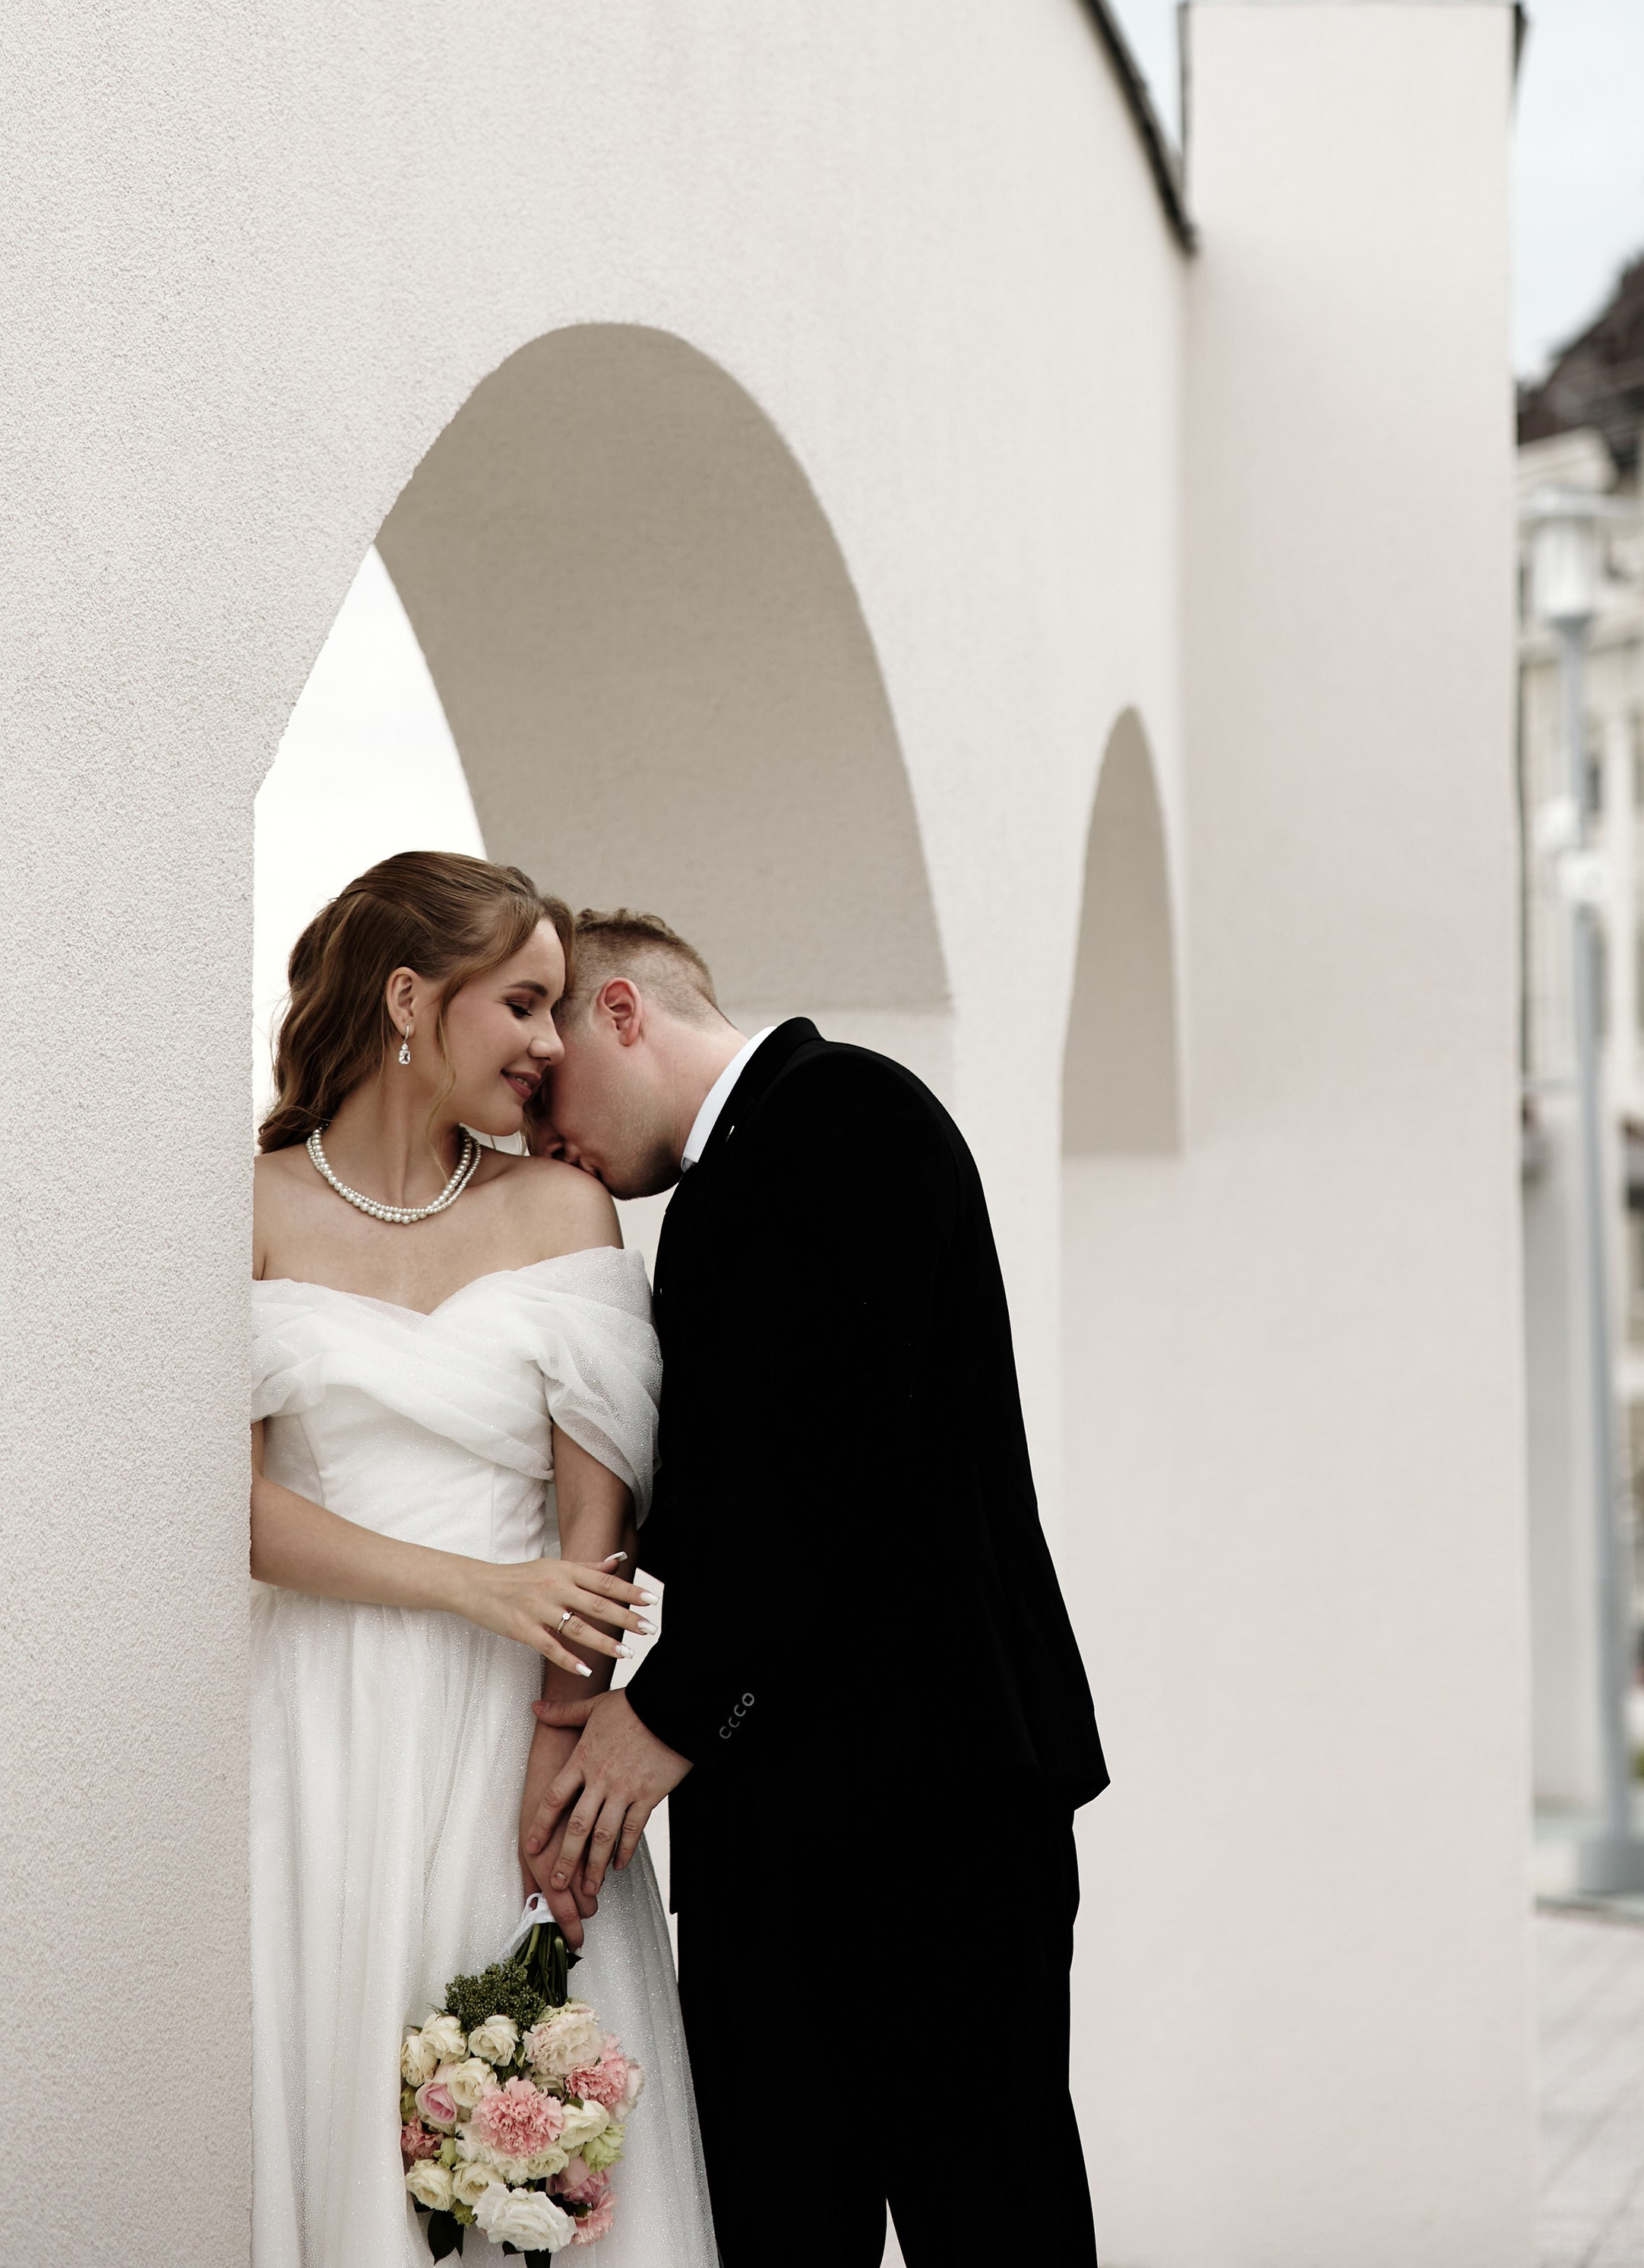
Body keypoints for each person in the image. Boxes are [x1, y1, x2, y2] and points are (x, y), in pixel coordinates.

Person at [527, 908, 1108, 2268]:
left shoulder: (849, 1113)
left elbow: (847, 1475)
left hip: (939, 1817)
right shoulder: (726, 1182)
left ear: (622, 1012)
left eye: (549, 1094)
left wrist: (669, 1713)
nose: (545, 1138)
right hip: (781, 1831)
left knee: (994, 2224)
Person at [249, 852, 719, 2268]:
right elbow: (236, 1516)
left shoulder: (562, 1213)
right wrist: (477, 1586)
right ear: (410, 1000)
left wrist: (562, 1724)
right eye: (520, 1004)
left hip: (514, 1729)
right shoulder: (247, 1207)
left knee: (531, 2109)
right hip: (316, 1723)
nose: (549, 1045)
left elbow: (599, 1516)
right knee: (333, 2090)